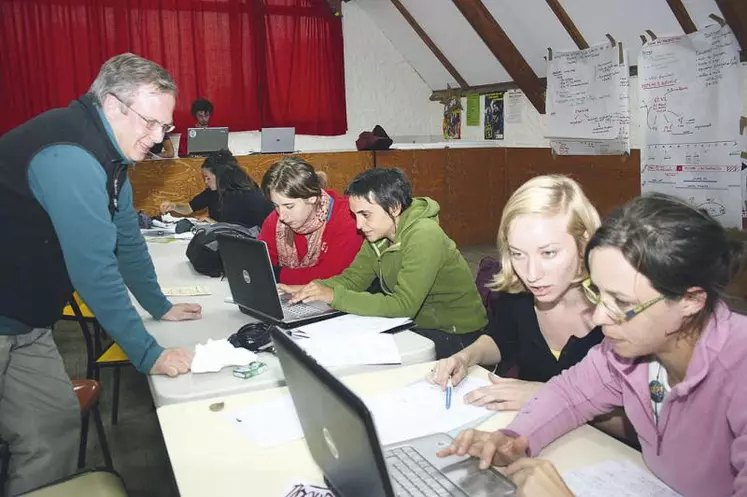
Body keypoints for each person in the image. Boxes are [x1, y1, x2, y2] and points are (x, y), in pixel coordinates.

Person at [438, 193, 747, 497]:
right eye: (598, 293)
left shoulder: (739, 370)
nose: (599, 316)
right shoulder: (626, 353)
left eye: (622, 302)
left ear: (691, 300)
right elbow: (569, 393)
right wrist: (515, 438)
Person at [0, 53, 202, 494]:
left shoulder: (111, 155)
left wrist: (159, 306)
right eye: (150, 123)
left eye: (165, 128)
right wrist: (148, 354)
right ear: (112, 104)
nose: (156, 137)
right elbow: (94, 268)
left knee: (51, 430)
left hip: (27, 321)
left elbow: (126, 237)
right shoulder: (69, 154)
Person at [429, 175, 605, 412]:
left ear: (584, 244)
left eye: (549, 253)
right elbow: (502, 338)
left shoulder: (621, 313)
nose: (531, 274)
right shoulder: (521, 295)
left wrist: (551, 396)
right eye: (518, 254)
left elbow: (642, 422)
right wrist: (465, 357)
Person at [282, 168, 488, 358]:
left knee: (362, 356)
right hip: (417, 324)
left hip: (459, 335)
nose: (359, 225)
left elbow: (403, 305)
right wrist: (308, 289)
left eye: (365, 214)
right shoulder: (379, 234)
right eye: (355, 215)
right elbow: (353, 279)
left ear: (394, 207)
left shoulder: (425, 235)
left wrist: (334, 296)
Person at [257, 157, 363, 285]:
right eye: (276, 206)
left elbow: (331, 275)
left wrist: (277, 274)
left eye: (289, 206)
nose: (282, 216)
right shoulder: (275, 220)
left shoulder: (348, 217)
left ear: (312, 198)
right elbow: (259, 262)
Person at [160, 149, 273, 228]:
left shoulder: (246, 195)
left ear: (220, 176)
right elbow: (189, 207)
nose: (206, 181)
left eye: (208, 178)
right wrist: (174, 206)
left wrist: (216, 224)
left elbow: (243, 229)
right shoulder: (213, 191)